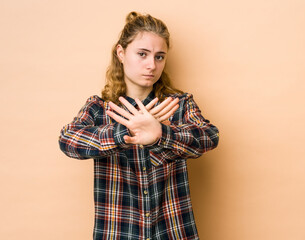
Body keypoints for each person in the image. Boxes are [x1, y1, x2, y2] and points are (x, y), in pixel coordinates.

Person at [59, 11, 219, 240]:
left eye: (159, 57)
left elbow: (209, 137)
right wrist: (126, 130)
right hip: (118, 232)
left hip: (173, 230)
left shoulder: (179, 104)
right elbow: (68, 140)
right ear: (121, 53)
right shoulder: (99, 108)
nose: (151, 65)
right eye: (142, 54)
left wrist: (163, 134)